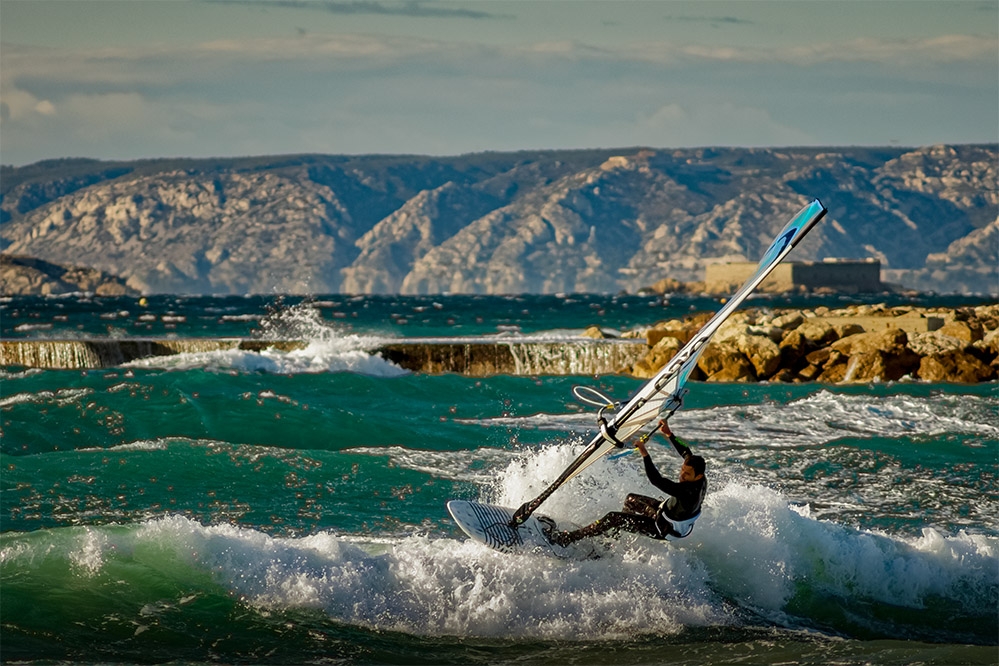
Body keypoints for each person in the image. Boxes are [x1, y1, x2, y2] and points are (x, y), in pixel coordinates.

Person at [549, 419, 706, 546]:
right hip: (665, 514)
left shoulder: (688, 491)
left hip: (663, 529)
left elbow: (657, 480)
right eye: (682, 471)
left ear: (698, 477)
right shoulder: (698, 472)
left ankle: (567, 539)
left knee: (613, 518)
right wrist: (669, 434)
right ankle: (614, 539)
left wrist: (644, 453)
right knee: (631, 500)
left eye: (687, 474)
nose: (682, 475)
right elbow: (686, 452)